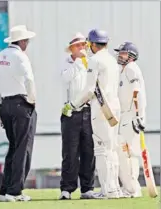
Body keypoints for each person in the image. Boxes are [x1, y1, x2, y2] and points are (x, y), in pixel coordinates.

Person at [70, 29, 121, 199]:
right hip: (114, 107)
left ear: (92, 44)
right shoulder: (113, 61)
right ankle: (115, 188)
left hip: (101, 109)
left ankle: (109, 190)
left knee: (101, 150)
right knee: (112, 149)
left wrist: (73, 104)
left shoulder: (95, 60)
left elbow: (89, 90)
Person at [0, 25, 37, 202]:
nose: (27, 43)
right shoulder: (20, 56)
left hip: (5, 105)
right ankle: (15, 191)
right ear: (22, 41)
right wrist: (32, 101)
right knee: (21, 149)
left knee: (12, 148)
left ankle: (5, 191)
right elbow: (29, 80)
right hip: (21, 104)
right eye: (26, 40)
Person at [60, 32, 95, 200]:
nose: (82, 48)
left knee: (88, 151)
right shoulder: (66, 63)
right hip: (70, 112)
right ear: (71, 49)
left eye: (84, 45)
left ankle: (87, 188)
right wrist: (79, 62)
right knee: (70, 152)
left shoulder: (91, 62)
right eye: (78, 45)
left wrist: (85, 61)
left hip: (88, 111)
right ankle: (66, 189)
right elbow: (66, 78)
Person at [114, 42, 146, 197]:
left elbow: (136, 93)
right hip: (125, 116)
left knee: (129, 154)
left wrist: (139, 116)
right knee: (123, 153)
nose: (120, 55)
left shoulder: (132, 68)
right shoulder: (124, 70)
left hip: (131, 116)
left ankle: (132, 189)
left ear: (131, 56)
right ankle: (129, 188)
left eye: (123, 53)